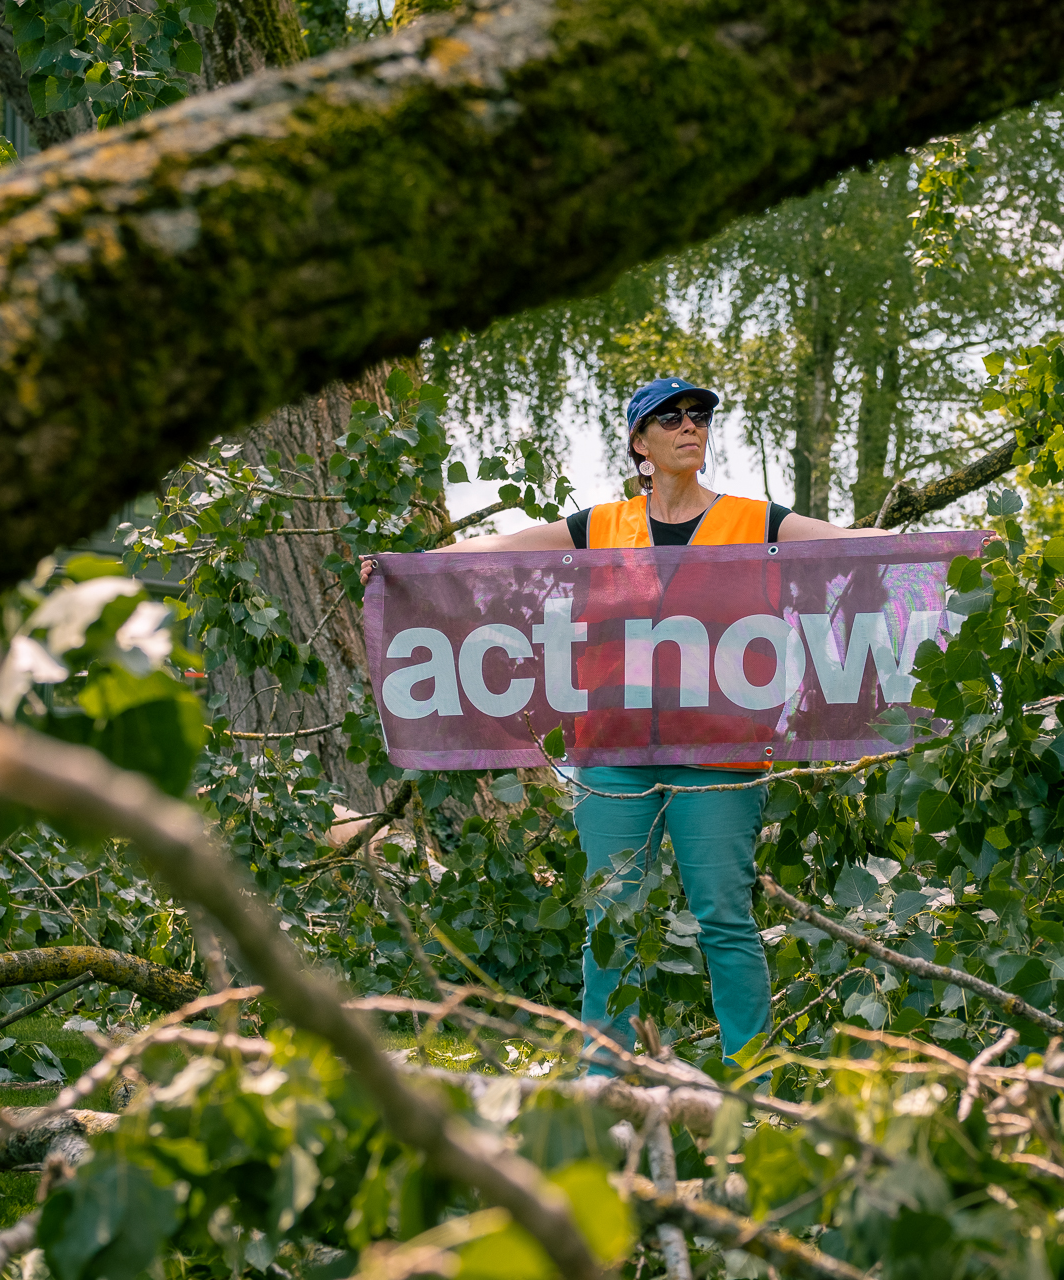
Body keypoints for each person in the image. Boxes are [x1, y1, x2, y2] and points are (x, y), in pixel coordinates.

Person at [360, 376, 893, 1070]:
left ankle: (754, 1081)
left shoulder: (756, 520)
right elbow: (505, 550)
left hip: (720, 753)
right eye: (669, 417)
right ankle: (603, 1076)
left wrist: (962, 545)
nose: (688, 426)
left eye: (698, 415)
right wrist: (410, 567)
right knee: (608, 920)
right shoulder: (601, 528)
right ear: (640, 442)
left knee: (725, 923)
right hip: (613, 753)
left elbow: (851, 542)